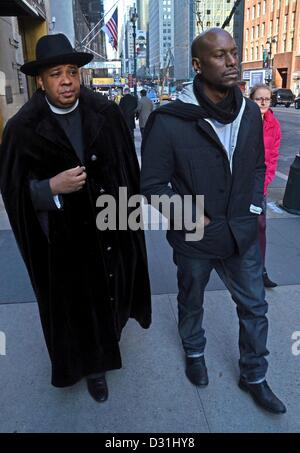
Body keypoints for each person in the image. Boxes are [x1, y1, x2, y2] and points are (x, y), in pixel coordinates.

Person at [141, 28, 286, 414]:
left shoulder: (249, 113)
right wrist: (188, 214)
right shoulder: (169, 120)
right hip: (195, 235)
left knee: (255, 306)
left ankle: (254, 374)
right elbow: (152, 185)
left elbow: (257, 166)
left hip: (241, 232)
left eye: (234, 53)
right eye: (220, 55)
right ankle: (194, 351)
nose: (232, 61)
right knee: (192, 300)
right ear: (197, 64)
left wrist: (254, 206)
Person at [0, 33, 151, 403]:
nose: (66, 80)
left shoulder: (106, 112)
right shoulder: (21, 129)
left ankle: (107, 346)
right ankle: (93, 368)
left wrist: (129, 225)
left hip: (111, 227)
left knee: (113, 297)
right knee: (78, 310)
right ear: (41, 81)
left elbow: (128, 172)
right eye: (56, 74)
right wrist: (50, 187)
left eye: (71, 71)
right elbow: (13, 191)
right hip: (65, 242)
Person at [250, 84, 281, 288]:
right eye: (259, 98)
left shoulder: (274, 124)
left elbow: (273, 156)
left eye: (267, 99)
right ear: (251, 99)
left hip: (260, 184)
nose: (263, 102)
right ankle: (240, 270)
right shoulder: (242, 121)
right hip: (240, 184)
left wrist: (266, 180)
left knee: (260, 227)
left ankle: (261, 271)